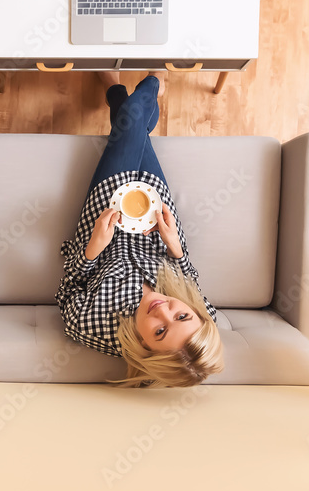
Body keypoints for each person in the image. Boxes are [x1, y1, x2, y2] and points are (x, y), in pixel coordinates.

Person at [54, 70, 224, 388]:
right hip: (158, 214)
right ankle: (118, 88)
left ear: (146, 348)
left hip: (107, 210)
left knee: (132, 118)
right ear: (197, 316)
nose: (164, 312)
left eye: (160, 331)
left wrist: (92, 249)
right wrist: (176, 247)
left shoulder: (92, 327)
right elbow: (191, 281)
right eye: (182, 316)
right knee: (135, 130)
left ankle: (148, 82)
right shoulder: (207, 321)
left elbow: (67, 290)